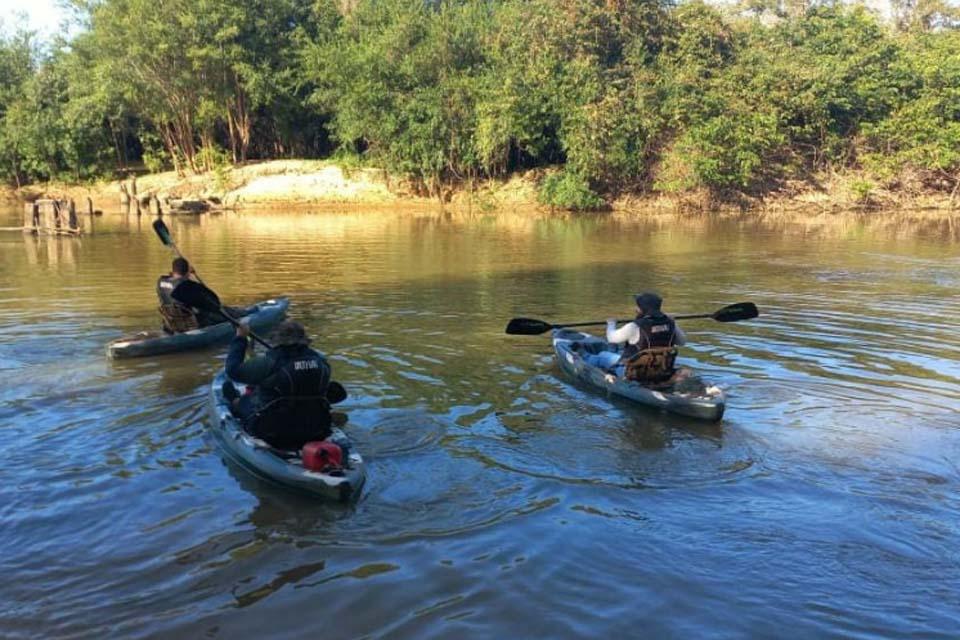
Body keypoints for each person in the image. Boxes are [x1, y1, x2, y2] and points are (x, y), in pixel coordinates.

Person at [223, 320, 334, 450]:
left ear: (278, 340)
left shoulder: (269, 363)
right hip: (316, 430)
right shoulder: (322, 362)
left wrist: (240, 338)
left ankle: (236, 402)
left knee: (238, 393)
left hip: (273, 432)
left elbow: (232, 370)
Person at [585, 292, 686, 383]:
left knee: (602, 356)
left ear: (642, 309)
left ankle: (581, 358)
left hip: (633, 372)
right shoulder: (671, 324)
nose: (635, 309)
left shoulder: (634, 326)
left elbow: (612, 338)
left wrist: (611, 324)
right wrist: (671, 321)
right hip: (661, 370)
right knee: (611, 354)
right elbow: (682, 342)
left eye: (637, 307)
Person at [156, 257, 247, 332]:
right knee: (227, 311)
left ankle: (241, 311)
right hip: (193, 323)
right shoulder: (190, 286)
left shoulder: (160, 282)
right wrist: (193, 276)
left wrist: (187, 274)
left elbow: (172, 280)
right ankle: (248, 313)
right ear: (187, 272)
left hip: (171, 323)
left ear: (172, 271)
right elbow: (215, 301)